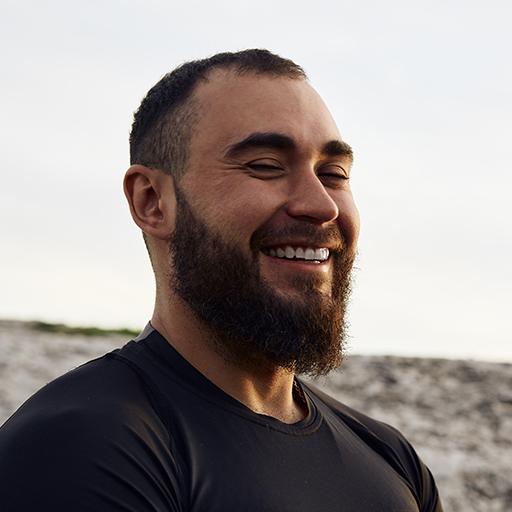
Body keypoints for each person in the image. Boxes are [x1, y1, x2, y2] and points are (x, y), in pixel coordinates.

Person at [0, 49, 443, 511]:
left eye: (333, 174)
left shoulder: (391, 458)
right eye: (266, 166)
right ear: (152, 201)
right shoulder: (81, 447)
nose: (322, 205)